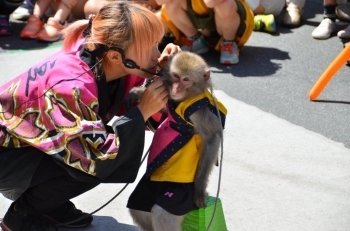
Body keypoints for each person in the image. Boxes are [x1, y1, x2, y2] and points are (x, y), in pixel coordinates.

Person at [0, 1, 181, 230]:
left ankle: (47, 205)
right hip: (8, 155)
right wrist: (143, 110)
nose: (158, 53)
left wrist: (163, 77)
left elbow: (123, 102)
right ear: (117, 56)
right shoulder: (71, 85)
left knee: (98, 145)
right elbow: (97, 157)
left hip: (24, 148)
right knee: (92, 162)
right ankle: (22, 215)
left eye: (158, 44)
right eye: (151, 47)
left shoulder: (104, 54)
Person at [155, 0, 254, 65]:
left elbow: (210, 2)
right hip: (205, 21)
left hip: (230, 22)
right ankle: (196, 40)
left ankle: (229, 43)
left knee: (225, 5)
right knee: (170, 5)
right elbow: (160, 1)